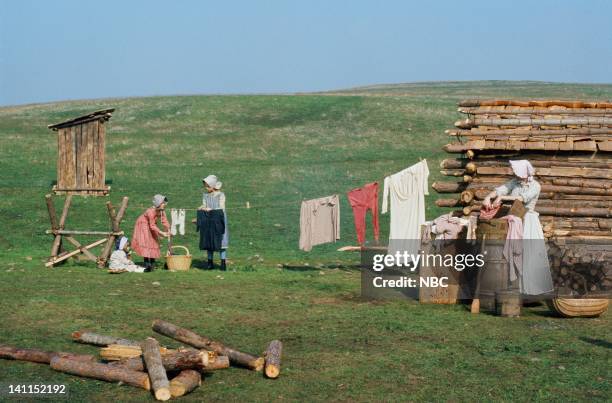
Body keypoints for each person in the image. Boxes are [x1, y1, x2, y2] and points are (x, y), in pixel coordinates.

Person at [482, 160, 554, 295]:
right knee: (515, 252)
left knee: (528, 254)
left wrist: (502, 197)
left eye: (517, 171)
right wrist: (488, 197)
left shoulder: (535, 186)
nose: (515, 174)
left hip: (528, 221)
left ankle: (532, 291)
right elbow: (500, 189)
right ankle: (516, 289)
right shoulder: (514, 182)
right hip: (515, 220)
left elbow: (522, 198)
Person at [132, 194, 170, 271]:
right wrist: (161, 233)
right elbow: (152, 225)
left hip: (151, 224)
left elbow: (164, 221)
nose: (164, 204)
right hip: (143, 224)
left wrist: (168, 230)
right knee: (146, 241)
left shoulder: (162, 211)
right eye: (163, 203)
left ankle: (152, 262)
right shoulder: (150, 211)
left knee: (154, 241)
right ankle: (147, 263)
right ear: (158, 203)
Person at [199, 175, 228, 270]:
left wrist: (211, 209)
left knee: (221, 241)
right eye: (205, 186)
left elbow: (221, 208)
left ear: (213, 186)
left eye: (208, 186)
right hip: (209, 220)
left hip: (218, 220)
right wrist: (202, 207)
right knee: (209, 239)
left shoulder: (221, 195)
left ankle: (223, 263)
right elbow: (204, 204)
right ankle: (210, 262)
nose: (206, 188)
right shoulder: (206, 196)